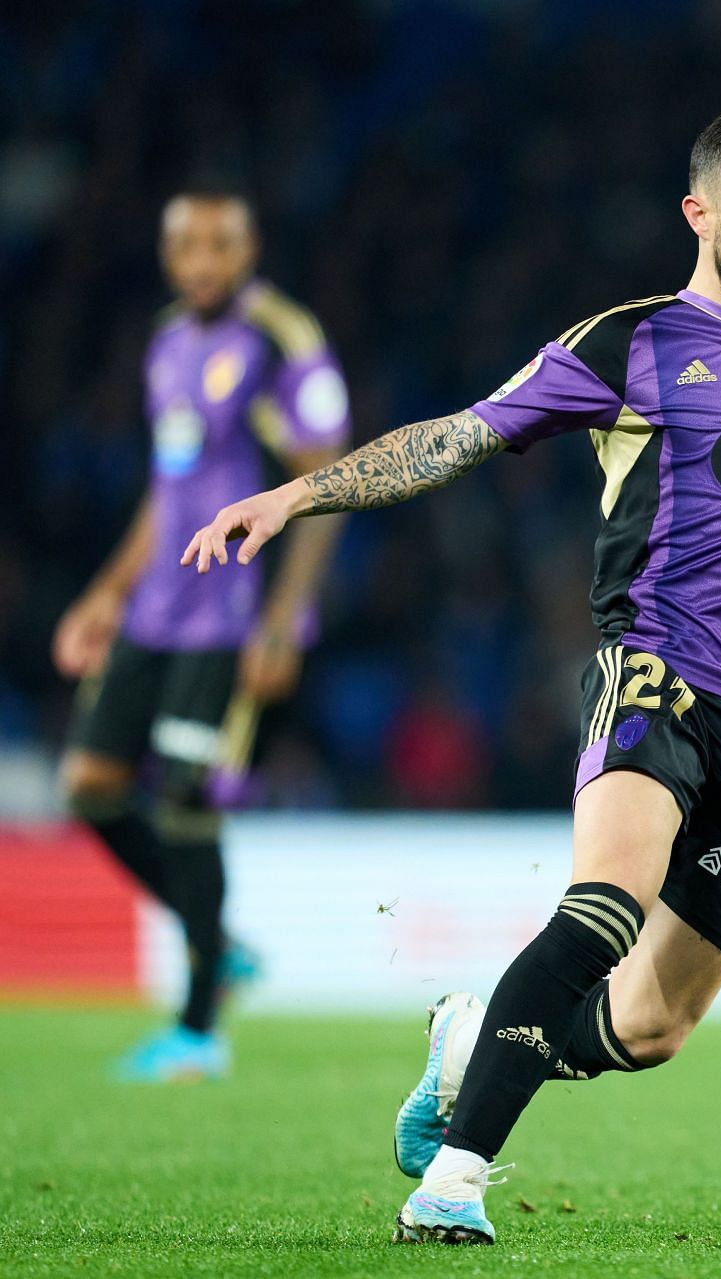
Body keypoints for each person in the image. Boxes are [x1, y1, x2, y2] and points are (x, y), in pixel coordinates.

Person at [180, 109, 721, 1246]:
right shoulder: (630, 342)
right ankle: (452, 1182)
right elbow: (456, 437)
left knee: (651, 1027)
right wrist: (294, 496)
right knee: (604, 904)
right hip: (659, 669)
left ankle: (470, 1043)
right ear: (701, 213)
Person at [52, 187, 350, 1082]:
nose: (203, 261)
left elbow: (325, 484)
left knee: (185, 796)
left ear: (249, 246)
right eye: (186, 243)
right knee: (91, 784)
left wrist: (282, 618)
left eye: (220, 243)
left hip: (229, 618)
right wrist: (105, 593)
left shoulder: (283, 341)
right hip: (156, 610)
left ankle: (197, 1027)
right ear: (168, 251)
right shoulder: (169, 339)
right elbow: (168, 487)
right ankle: (217, 941)